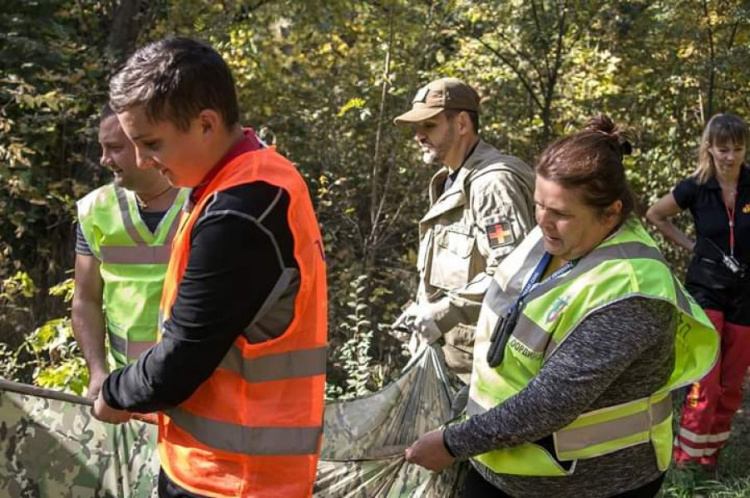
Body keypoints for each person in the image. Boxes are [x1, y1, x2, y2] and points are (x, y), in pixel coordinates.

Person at [405, 115, 719, 498]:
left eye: (561, 214)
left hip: (591, 484)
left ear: (611, 212)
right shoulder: (549, 240)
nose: (544, 222)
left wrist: (452, 443)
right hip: (502, 462)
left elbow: (548, 405)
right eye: (539, 206)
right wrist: (466, 408)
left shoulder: (630, 290)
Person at [90, 37, 328, 498]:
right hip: (224, 468)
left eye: (151, 143)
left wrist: (115, 392)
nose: (143, 161)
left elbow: (180, 360)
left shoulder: (239, 214)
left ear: (206, 123)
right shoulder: (258, 176)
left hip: (232, 481)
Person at [392, 77, 535, 386]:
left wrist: (444, 312)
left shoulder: (492, 183)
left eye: (429, 125)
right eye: (417, 128)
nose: (418, 136)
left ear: (461, 124)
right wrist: (423, 312)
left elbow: (514, 271)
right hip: (454, 366)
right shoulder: (451, 180)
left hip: (487, 370)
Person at [646, 113, 750, 467]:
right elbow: (655, 214)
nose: (730, 156)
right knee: (705, 383)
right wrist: (693, 246)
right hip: (706, 290)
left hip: (746, 295)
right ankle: (686, 460)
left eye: (737, 148)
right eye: (723, 148)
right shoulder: (695, 186)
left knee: (732, 385)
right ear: (709, 147)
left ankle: (710, 458)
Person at [72, 104, 188, 398]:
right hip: (125, 388)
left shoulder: (202, 203)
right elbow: (85, 300)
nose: (104, 159)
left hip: (194, 384)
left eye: (113, 148)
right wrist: (98, 372)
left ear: (145, 145)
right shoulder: (95, 209)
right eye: (102, 147)